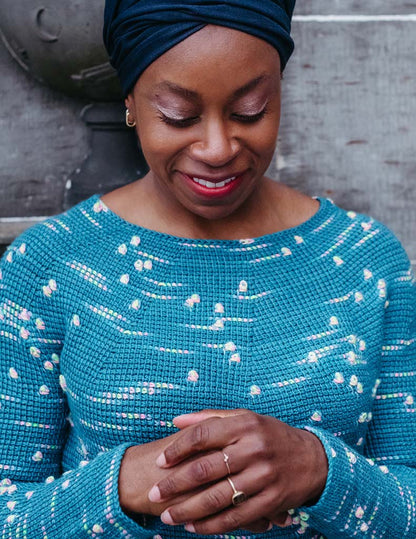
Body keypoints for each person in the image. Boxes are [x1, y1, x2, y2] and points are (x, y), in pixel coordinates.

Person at [0, 1, 415, 537]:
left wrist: (320, 470)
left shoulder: (366, 258)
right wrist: (123, 483)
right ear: (130, 102)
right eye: (178, 115)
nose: (217, 149)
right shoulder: (49, 264)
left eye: (250, 110)